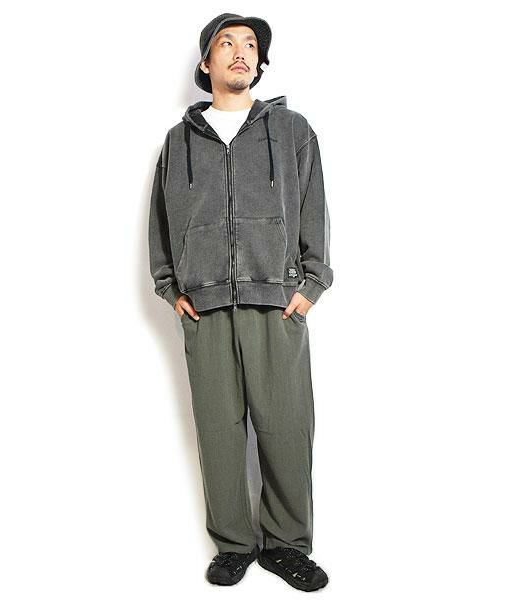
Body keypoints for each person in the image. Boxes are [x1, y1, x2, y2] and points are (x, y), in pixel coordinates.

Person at [148, 13, 333, 592]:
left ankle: (287, 545)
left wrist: (310, 285)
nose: (240, 51)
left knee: (286, 427)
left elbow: (314, 209)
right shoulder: (179, 141)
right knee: (219, 432)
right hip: (203, 307)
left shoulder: (292, 130)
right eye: (226, 43)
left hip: (277, 302)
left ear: (259, 61)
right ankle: (233, 544)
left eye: (250, 44)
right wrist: (170, 288)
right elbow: (161, 221)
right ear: (206, 63)